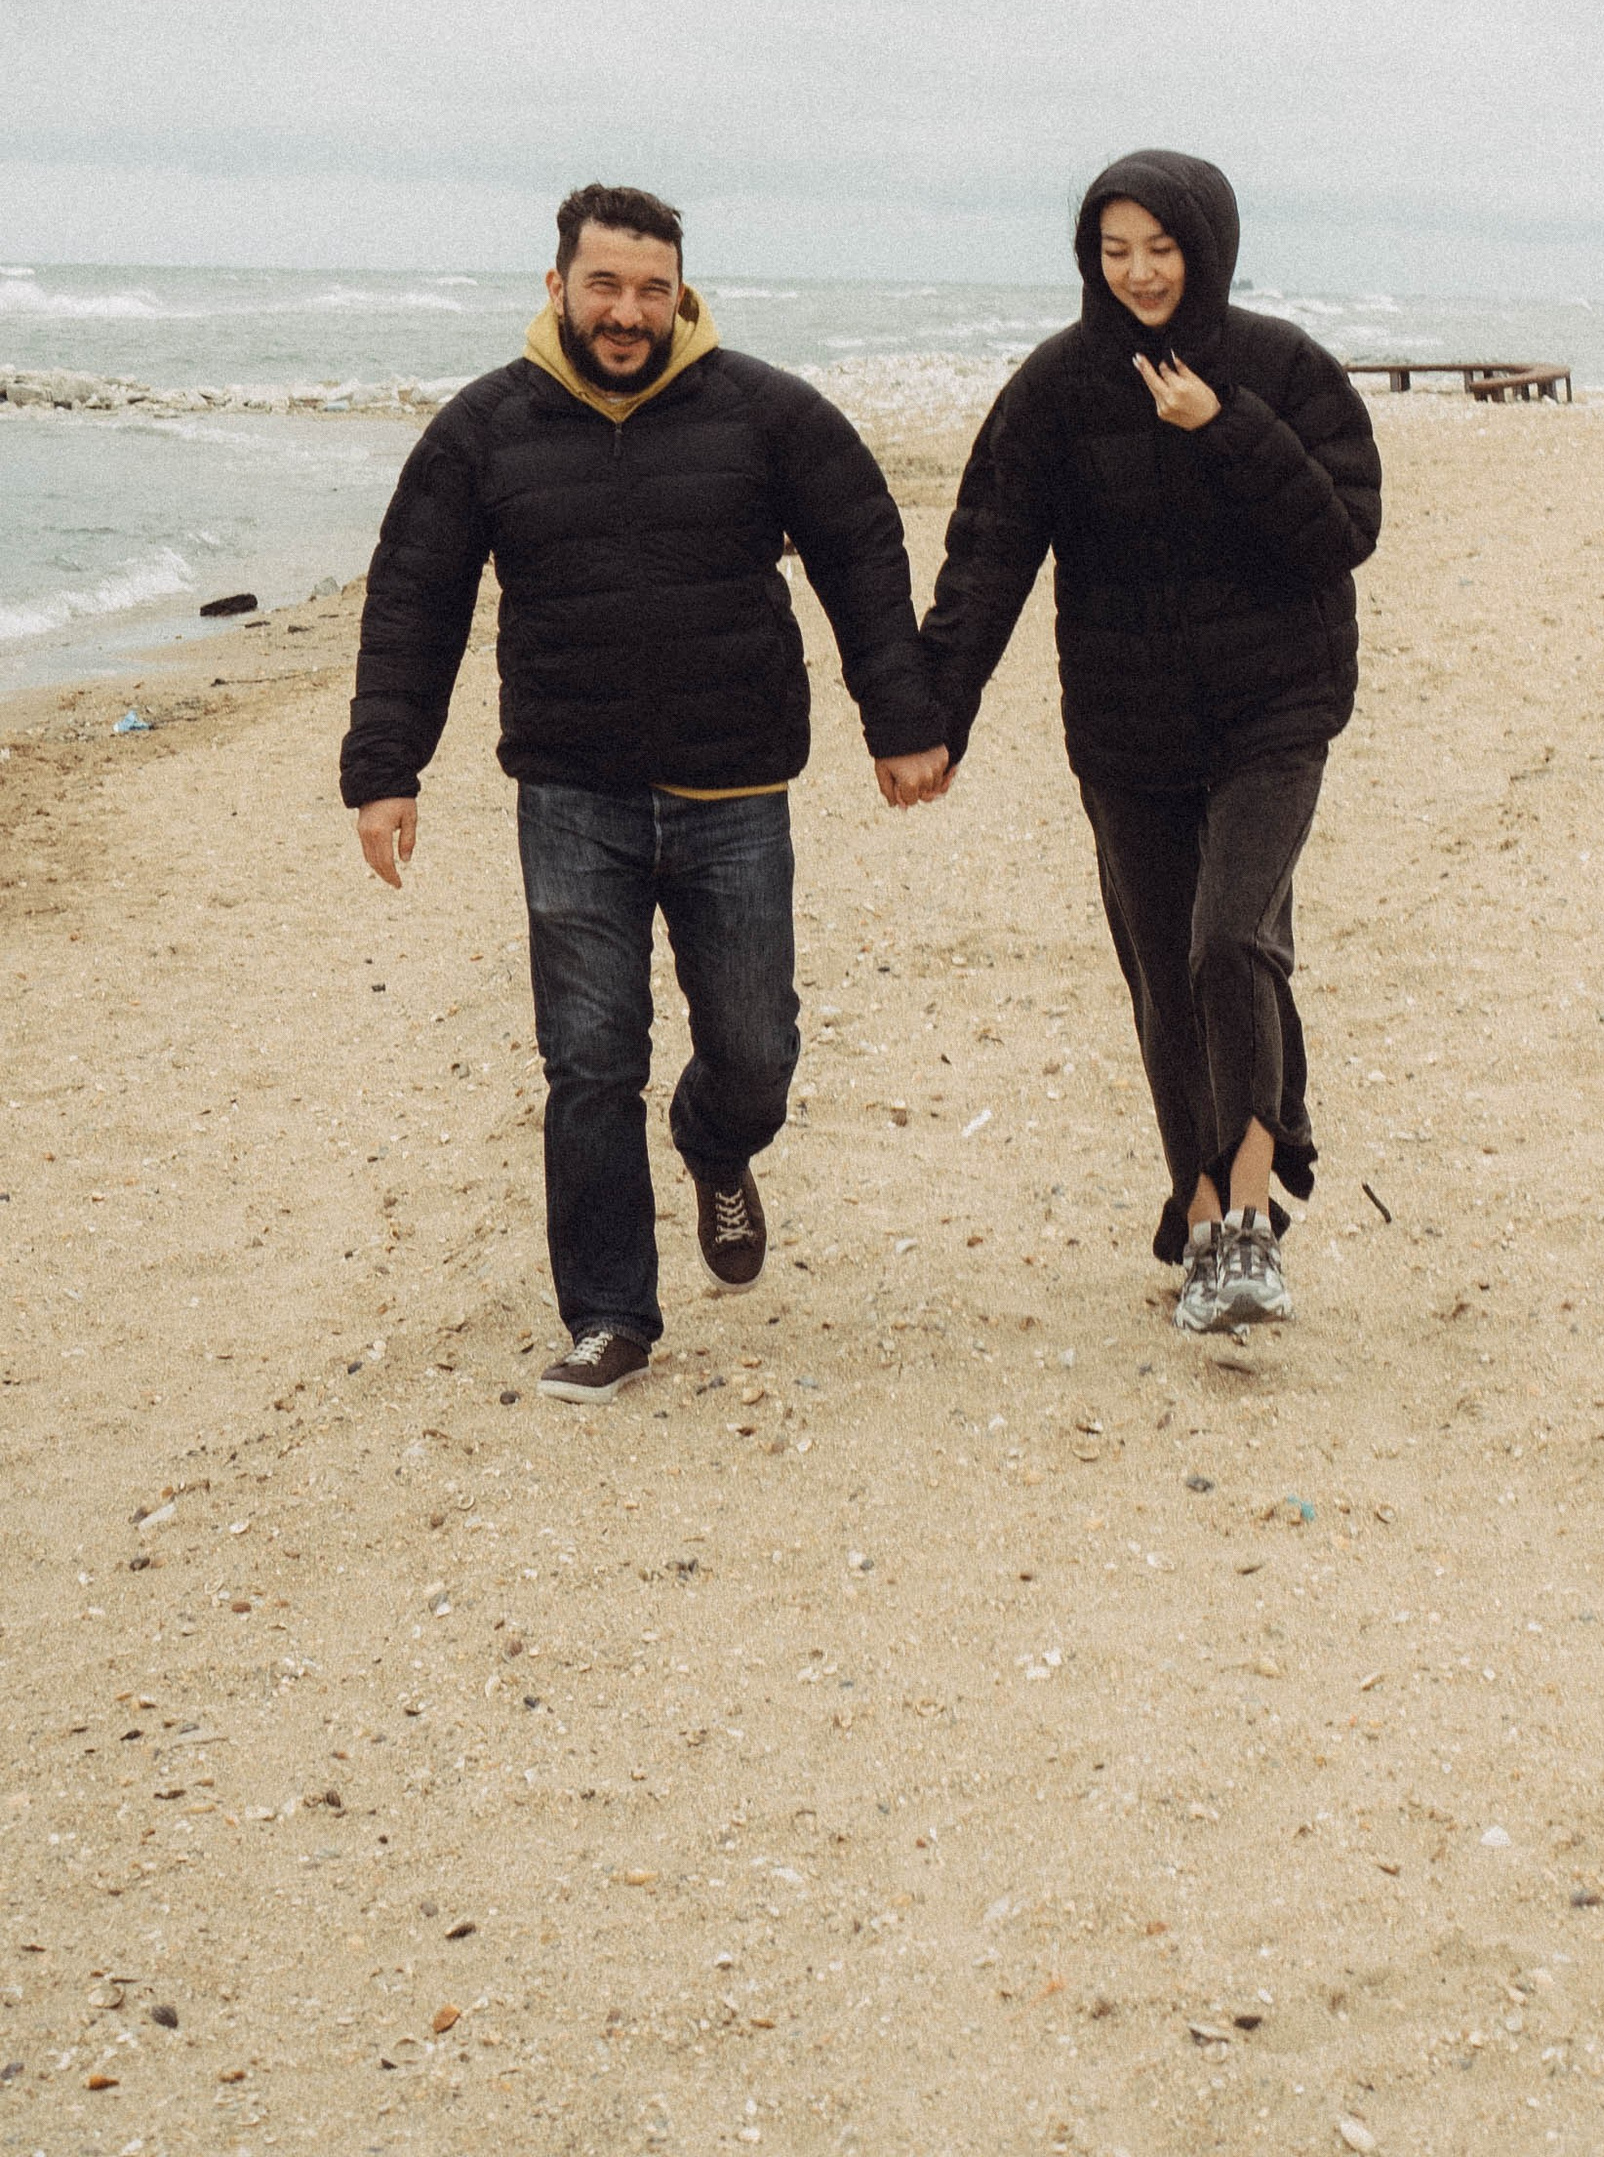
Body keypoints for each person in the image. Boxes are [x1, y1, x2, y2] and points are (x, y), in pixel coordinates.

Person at [340, 185, 948, 1402]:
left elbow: (863, 552)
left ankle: (715, 1142)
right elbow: (415, 594)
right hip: (572, 794)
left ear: (682, 294)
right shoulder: (484, 430)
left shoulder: (766, 413)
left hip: (736, 788)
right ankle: (610, 1315)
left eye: (651, 290)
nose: (626, 312)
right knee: (589, 1060)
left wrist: (902, 722)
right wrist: (385, 770)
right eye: (604, 286)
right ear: (557, 287)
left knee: (755, 1050)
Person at [921, 151, 1381, 1338]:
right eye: (1114, 251)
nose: (1138, 273)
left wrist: (1224, 426)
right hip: (1126, 728)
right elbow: (987, 558)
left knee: (1230, 939)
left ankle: (1249, 1211)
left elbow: (1341, 532)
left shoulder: (1282, 368)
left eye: (1161, 250)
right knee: (1165, 982)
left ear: (1205, 249)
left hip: (1274, 712)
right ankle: (1204, 1217)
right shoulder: (1057, 388)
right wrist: (933, 719)